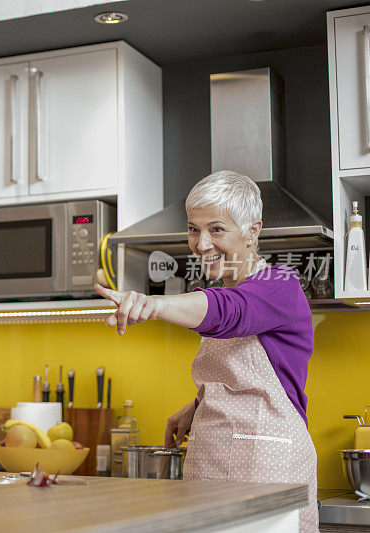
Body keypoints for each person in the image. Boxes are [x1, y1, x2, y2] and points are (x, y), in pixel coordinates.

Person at [95, 171, 318, 532]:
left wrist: (151, 304)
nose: (201, 244)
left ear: (252, 231)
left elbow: (227, 312)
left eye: (216, 229)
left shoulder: (281, 284)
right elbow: (242, 372)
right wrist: (199, 405)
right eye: (193, 230)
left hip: (269, 466)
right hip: (211, 460)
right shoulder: (229, 289)